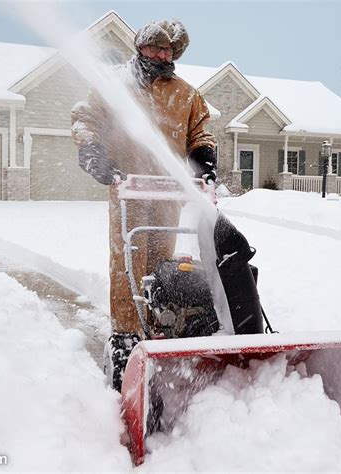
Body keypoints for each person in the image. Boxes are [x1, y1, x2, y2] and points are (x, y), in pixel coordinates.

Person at [71, 19, 217, 389]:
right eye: (156, 48)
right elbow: (84, 119)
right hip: (129, 190)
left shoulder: (186, 94)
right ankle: (125, 335)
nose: (162, 55)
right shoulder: (115, 86)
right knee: (128, 264)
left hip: (169, 194)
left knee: (162, 263)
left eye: (169, 50)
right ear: (141, 47)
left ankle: (159, 328)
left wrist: (203, 159)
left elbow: (201, 130)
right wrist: (92, 152)